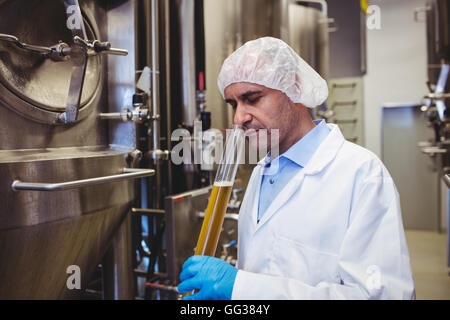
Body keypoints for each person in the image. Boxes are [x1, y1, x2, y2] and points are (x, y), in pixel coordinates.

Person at [177, 37, 415, 300]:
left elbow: (385, 296)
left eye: (252, 98)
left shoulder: (362, 174)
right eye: (234, 104)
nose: (238, 118)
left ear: (295, 88)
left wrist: (242, 289)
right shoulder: (261, 173)